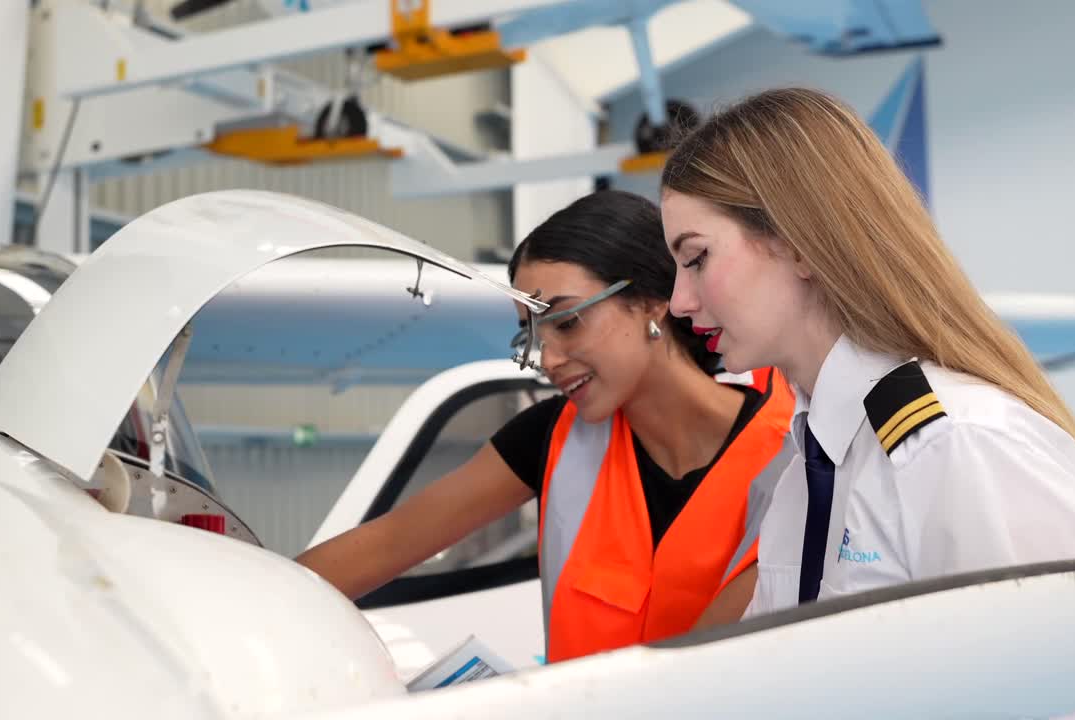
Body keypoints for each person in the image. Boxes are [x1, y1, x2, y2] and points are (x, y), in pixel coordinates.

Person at [660, 87, 1075, 716]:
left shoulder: (960, 444)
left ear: (799, 241)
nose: (678, 302)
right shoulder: (809, 475)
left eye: (696, 258)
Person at [296, 189, 797, 663]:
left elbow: (702, 667)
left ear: (652, 301)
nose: (547, 359)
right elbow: (386, 544)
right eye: (532, 333)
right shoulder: (551, 436)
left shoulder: (795, 448)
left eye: (567, 321)